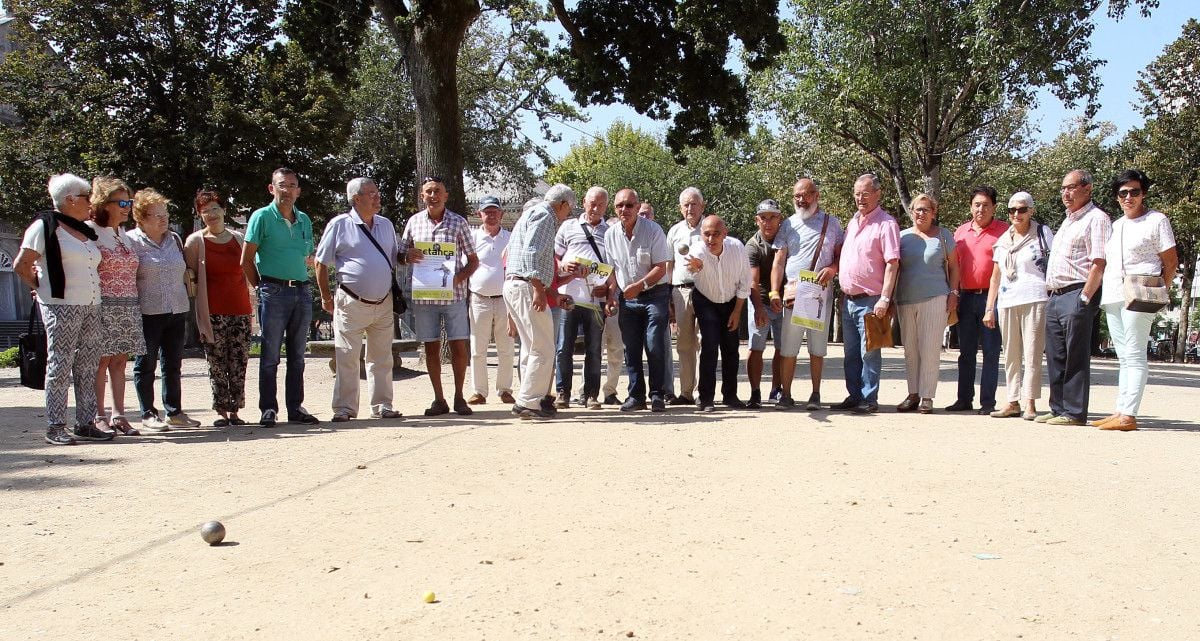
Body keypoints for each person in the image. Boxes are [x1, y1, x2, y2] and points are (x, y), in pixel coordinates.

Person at [14, 174, 104, 445]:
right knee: (60, 364)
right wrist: (41, 289)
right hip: (61, 306)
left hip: (91, 304)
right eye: (86, 197)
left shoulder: (84, 229)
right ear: (69, 200)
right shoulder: (43, 226)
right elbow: (22, 264)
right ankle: (55, 426)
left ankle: (86, 423)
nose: (91, 201)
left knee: (88, 364)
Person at [1092, 169, 1177, 431]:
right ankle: (1120, 410)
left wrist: (1159, 289)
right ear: (1117, 197)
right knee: (1124, 355)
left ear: (1144, 193)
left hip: (1140, 294)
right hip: (1114, 294)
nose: (1129, 197)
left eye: (1134, 192)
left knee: (1136, 352)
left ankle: (1129, 414)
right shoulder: (1116, 225)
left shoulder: (1157, 220)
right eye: (1123, 193)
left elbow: (1171, 262)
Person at [314, 177, 403, 423]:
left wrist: (409, 255)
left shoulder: (385, 225)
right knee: (346, 356)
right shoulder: (340, 224)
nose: (377, 197)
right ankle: (344, 408)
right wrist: (325, 296)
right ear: (356, 199)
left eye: (377, 192)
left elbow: (395, 258)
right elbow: (320, 262)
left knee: (382, 357)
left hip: (383, 302)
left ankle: (383, 405)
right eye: (371, 193)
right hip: (350, 301)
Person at [241, 167, 320, 426]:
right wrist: (261, 288)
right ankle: (268, 409)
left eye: (292, 185)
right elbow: (246, 260)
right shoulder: (261, 217)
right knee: (270, 355)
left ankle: (295, 408)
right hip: (272, 291)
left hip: (302, 290)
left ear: (298, 190)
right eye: (282, 185)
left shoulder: (305, 219)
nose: (287, 190)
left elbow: (307, 254)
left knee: (298, 355)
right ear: (271, 188)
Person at [398, 176, 480, 416]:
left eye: (437, 192)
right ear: (422, 196)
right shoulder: (413, 223)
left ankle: (459, 397)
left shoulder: (458, 223)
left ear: (445, 196)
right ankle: (439, 399)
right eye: (428, 192)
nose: (432, 196)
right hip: (425, 298)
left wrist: (458, 277)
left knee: (458, 345)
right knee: (430, 347)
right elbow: (400, 256)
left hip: (453, 296)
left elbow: (473, 260)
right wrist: (407, 257)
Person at [1039, 169, 1112, 426]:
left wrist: (1085, 297)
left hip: (1077, 293)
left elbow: (1099, 262)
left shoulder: (1097, 219)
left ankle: (1074, 411)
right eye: (1063, 188)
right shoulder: (1068, 221)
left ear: (1087, 188)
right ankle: (1057, 407)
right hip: (1056, 296)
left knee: (1075, 355)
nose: (1065, 193)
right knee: (1056, 354)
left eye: (1071, 187)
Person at [128, 188, 201, 431]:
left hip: (177, 309)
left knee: (173, 364)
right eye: (156, 214)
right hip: (148, 312)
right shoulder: (131, 241)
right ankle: (148, 413)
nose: (163, 218)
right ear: (141, 218)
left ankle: (174, 412)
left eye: (165, 213)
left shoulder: (175, 240)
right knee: (145, 364)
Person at [503, 184, 578, 419]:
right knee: (544, 348)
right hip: (526, 286)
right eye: (569, 210)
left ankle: (529, 399)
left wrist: (552, 293)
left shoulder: (531, 214)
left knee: (532, 346)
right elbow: (533, 253)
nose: (568, 216)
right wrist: (538, 290)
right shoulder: (545, 215)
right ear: (563, 204)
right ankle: (528, 402)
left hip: (516, 284)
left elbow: (533, 256)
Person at [770, 178, 844, 410]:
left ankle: (815, 393)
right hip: (794, 291)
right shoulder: (788, 225)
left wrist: (832, 269)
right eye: (797, 196)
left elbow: (841, 256)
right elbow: (779, 261)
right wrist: (774, 291)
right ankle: (787, 394)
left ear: (817, 195)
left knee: (817, 347)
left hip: (820, 292)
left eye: (806, 195)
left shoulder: (832, 224)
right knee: (789, 346)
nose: (801, 200)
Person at [184, 189, 253, 427]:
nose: (211, 214)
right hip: (212, 312)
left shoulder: (238, 239)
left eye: (215, 208)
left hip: (240, 309)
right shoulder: (195, 242)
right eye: (205, 211)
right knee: (216, 362)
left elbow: (249, 271)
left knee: (239, 361)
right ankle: (221, 411)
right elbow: (191, 276)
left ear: (224, 210)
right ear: (200, 215)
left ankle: (236, 410)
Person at [983, 192, 1054, 421]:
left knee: (1032, 352)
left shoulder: (1043, 234)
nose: (1016, 214)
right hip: (1008, 300)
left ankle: (1030, 401)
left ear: (1031, 210)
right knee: (1011, 354)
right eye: (1012, 210)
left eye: (1022, 209)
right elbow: (995, 277)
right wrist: (989, 307)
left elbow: (1052, 266)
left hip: (1035, 297)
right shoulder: (1003, 240)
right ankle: (1012, 400)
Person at [833, 174, 900, 414]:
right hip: (848, 300)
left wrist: (885, 298)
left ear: (878, 194)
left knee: (869, 352)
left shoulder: (886, 224)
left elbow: (892, 263)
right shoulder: (852, 222)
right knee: (850, 353)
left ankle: (869, 398)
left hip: (871, 300)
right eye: (857, 193)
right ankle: (855, 395)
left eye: (865, 193)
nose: (860, 198)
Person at [87, 176, 145, 436]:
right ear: (103, 203)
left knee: (121, 362)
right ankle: (98, 416)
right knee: (101, 361)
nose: (127, 206)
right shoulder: (89, 231)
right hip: (101, 306)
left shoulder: (123, 233)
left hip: (128, 306)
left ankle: (119, 415)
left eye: (129, 201)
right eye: (121, 201)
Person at [605, 188, 671, 412]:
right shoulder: (610, 234)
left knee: (654, 344)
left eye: (630, 205)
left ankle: (657, 394)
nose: (625, 210)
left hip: (655, 295)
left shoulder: (653, 230)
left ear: (638, 206)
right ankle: (636, 396)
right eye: (620, 206)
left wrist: (641, 285)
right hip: (627, 299)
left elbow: (661, 267)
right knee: (631, 348)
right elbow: (612, 270)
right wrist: (610, 296)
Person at [894, 194, 959, 414]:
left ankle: (927, 396)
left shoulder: (943, 236)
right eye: (917, 209)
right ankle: (913, 393)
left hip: (935, 297)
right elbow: (894, 269)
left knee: (930, 349)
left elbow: (954, 268)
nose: (921, 214)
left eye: (925, 210)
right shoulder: (901, 237)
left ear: (934, 212)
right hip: (905, 299)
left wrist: (954, 293)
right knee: (910, 350)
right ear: (911, 212)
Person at [947, 186, 1009, 414]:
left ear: (994, 207)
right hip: (965, 297)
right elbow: (952, 266)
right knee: (966, 352)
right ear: (970, 206)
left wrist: (992, 305)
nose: (980, 209)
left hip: (991, 299)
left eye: (985, 205)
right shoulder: (960, 232)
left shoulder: (1005, 231)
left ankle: (987, 402)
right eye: (976, 204)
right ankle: (964, 399)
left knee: (991, 352)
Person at [684, 216, 750, 412]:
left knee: (731, 347)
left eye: (716, 234)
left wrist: (737, 312)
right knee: (710, 345)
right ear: (701, 234)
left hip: (731, 300)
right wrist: (695, 267)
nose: (711, 239)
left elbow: (745, 282)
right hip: (706, 300)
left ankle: (730, 395)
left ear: (725, 233)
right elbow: (692, 266)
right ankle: (706, 398)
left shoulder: (737, 248)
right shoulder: (698, 250)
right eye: (707, 234)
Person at [554, 186, 611, 410]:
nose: (595, 208)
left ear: (606, 206)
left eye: (600, 204)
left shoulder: (610, 231)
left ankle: (591, 394)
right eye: (591, 203)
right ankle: (562, 392)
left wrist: (607, 289)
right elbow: (554, 257)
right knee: (563, 347)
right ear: (584, 203)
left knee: (594, 349)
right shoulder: (568, 227)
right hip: (568, 297)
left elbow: (615, 267)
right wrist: (563, 266)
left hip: (595, 301)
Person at [466, 195, 515, 406]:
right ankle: (479, 391)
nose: (491, 215)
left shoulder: (512, 238)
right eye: (487, 211)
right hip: (479, 298)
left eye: (495, 211)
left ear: (502, 214)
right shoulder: (471, 237)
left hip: (505, 299)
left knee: (506, 347)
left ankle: (504, 389)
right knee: (478, 348)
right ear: (479, 214)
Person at [664, 187, 706, 405]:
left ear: (703, 206)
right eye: (686, 204)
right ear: (681, 208)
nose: (690, 208)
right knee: (684, 343)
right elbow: (668, 264)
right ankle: (686, 393)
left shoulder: (710, 228)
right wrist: (668, 293)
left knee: (704, 341)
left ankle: (702, 393)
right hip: (680, 291)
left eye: (694, 203)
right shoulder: (674, 231)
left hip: (706, 290)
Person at [745, 199, 784, 409]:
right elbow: (752, 280)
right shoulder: (752, 246)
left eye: (773, 217)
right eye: (763, 218)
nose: (768, 222)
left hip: (785, 301)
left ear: (780, 218)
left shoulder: (787, 239)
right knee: (756, 346)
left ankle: (777, 389)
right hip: (759, 300)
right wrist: (759, 307)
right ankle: (755, 392)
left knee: (782, 348)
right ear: (757, 220)